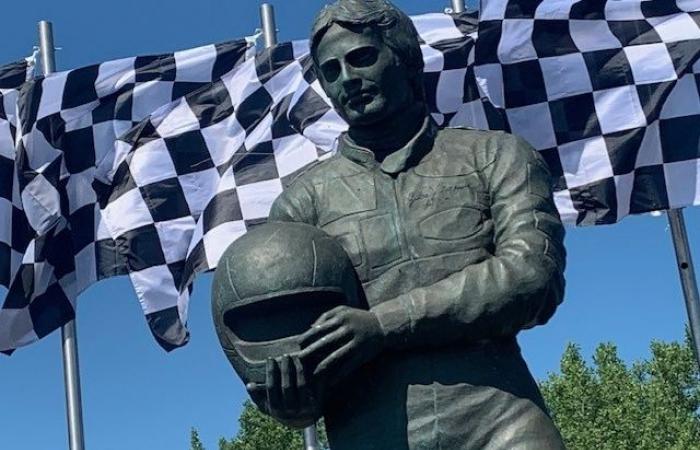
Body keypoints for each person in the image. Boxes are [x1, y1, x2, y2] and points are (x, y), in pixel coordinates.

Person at [254, 1, 567, 448]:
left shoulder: (497, 156)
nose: (347, 78)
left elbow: (532, 278)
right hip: (371, 435)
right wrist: (291, 399)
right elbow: (297, 348)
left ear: (405, 58)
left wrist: (382, 324)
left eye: (362, 57)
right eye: (331, 71)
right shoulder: (299, 207)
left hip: (503, 426)